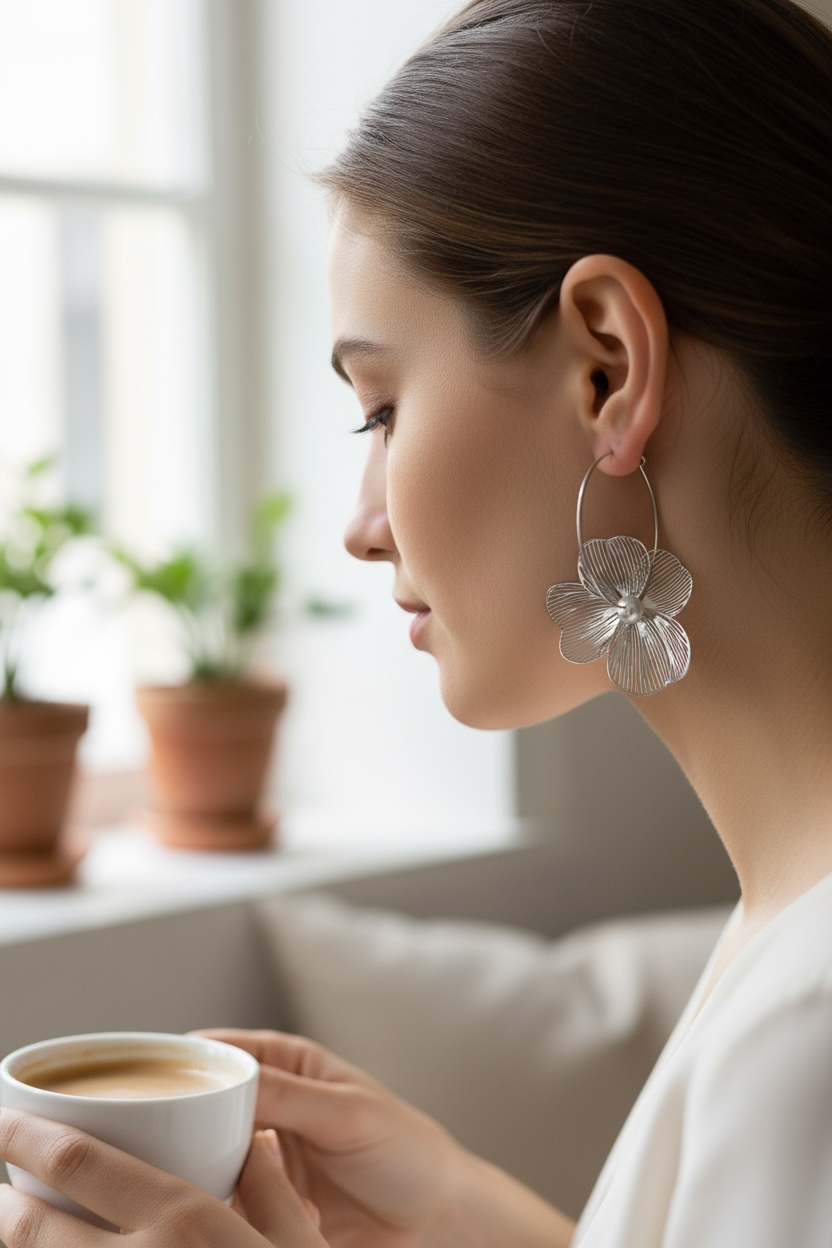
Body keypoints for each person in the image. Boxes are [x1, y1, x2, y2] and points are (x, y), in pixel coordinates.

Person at [1, 0, 831, 1242]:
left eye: (378, 409)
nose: (362, 522)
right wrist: (472, 1214)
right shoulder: (784, 931)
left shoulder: (806, 1031)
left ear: (606, 366)